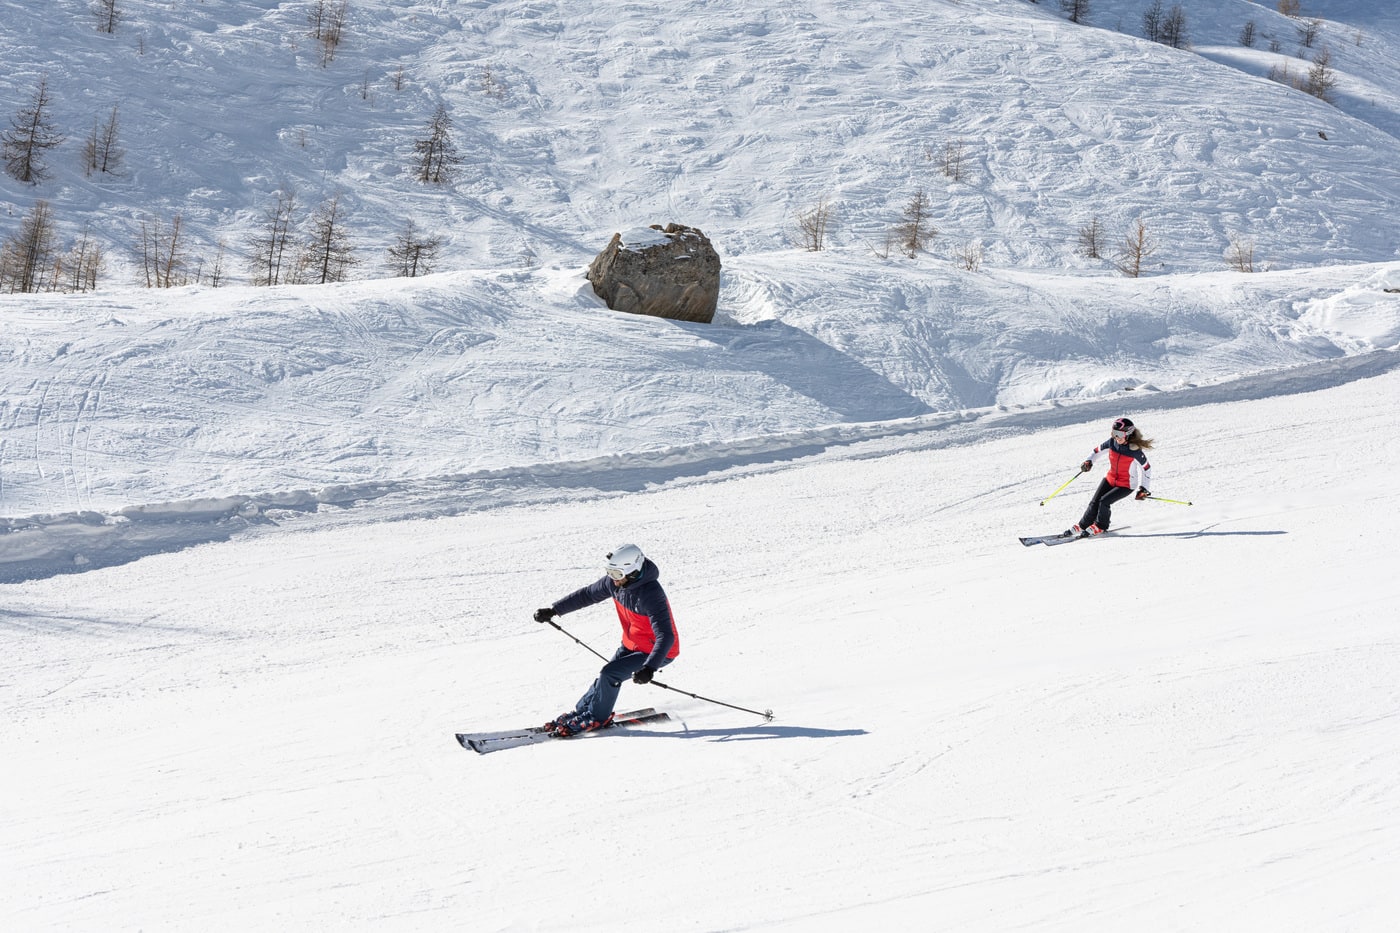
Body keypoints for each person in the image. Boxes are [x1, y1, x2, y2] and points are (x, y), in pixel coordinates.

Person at [532, 543, 680, 736]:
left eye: (617, 574)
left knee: (610, 674)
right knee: (605, 677)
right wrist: (554, 610)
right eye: (610, 572)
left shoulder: (651, 594)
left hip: (657, 651)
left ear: (633, 572)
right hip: (631, 643)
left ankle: (596, 718)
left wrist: (650, 667)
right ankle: (583, 711)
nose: (613, 579)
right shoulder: (615, 583)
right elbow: (587, 595)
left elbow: (665, 635)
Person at [1066, 416, 1154, 537]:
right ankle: (1083, 525)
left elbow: (1146, 469)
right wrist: (1089, 461)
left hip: (1126, 485)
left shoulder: (1134, 451)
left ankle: (1101, 526)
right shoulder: (1112, 442)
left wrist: (1144, 489)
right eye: (1114, 433)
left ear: (1127, 434)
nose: (1116, 437)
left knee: (1104, 502)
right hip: (1110, 478)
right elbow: (1097, 451)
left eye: (1119, 434)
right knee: (1094, 502)